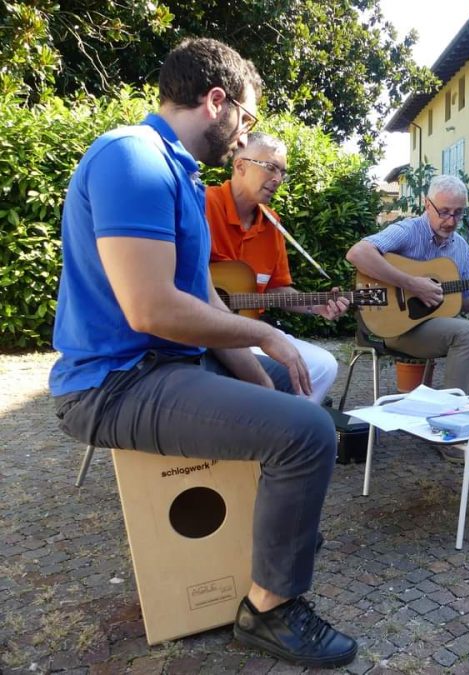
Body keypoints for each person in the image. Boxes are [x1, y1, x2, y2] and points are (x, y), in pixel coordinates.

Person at [48, 38, 357, 668]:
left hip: (164, 365)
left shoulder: (180, 174)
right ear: (216, 101)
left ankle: (276, 534)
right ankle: (269, 611)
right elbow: (151, 310)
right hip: (113, 383)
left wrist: (264, 375)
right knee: (305, 433)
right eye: (244, 120)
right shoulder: (131, 158)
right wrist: (267, 335)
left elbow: (209, 303)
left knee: (297, 405)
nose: (243, 138)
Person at [345, 174, 469, 395]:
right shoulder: (409, 231)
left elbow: (468, 300)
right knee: (467, 333)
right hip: (396, 327)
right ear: (427, 205)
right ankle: (449, 416)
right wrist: (412, 284)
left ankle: (447, 404)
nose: (451, 221)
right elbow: (357, 253)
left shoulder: (460, 248)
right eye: (444, 212)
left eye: (458, 213)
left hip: (435, 326)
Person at [206, 132, 347, 404]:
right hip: (203, 331)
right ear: (240, 165)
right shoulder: (202, 204)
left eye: (282, 172)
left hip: (250, 330)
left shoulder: (273, 224)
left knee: (324, 365)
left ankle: (284, 437)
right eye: (271, 168)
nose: (278, 179)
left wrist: (315, 306)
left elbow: (276, 288)